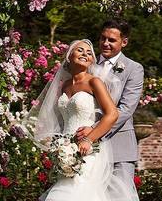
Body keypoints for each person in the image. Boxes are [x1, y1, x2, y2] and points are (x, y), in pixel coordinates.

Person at [28, 39, 136, 201]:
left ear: (92, 60)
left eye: (89, 53)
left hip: (87, 150)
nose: (85, 54)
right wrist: (58, 144)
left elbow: (112, 114)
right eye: (80, 50)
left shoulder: (94, 82)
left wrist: (88, 139)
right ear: (69, 56)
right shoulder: (64, 86)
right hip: (66, 150)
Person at [76, 20, 144, 200]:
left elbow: (126, 109)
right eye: (103, 38)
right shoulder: (88, 64)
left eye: (112, 40)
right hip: (84, 146)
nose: (105, 43)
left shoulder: (134, 69)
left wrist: (94, 131)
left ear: (124, 42)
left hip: (118, 146)